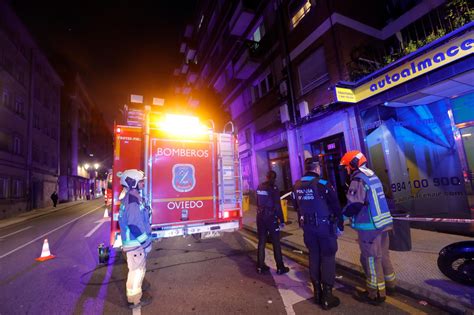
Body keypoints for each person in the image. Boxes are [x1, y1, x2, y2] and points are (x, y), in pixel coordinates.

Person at [340, 150, 396, 306]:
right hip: (384, 223)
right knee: (383, 255)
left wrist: (341, 218)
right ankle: (390, 285)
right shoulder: (372, 176)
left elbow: (355, 204)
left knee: (371, 259)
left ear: (353, 164)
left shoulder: (358, 179)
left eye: (346, 166)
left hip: (369, 226)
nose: (346, 170)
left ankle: (375, 293)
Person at [293, 158, 343, 310]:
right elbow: (336, 207)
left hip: (308, 228)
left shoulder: (296, 185)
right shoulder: (323, 184)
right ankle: (327, 296)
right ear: (317, 168)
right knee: (327, 257)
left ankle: (317, 293)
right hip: (324, 227)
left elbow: (296, 206)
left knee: (313, 256)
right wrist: (339, 226)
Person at [117, 169, 153, 309]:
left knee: (137, 270)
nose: (143, 183)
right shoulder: (132, 201)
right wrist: (146, 243)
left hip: (134, 244)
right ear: (132, 183)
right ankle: (134, 300)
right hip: (135, 244)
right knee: (136, 272)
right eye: (141, 181)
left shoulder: (133, 197)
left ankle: (137, 293)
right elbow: (134, 225)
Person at [256, 170, 290, 275]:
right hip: (270, 217)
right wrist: (282, 220)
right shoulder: (274, 188)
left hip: (260, 216)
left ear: (266, 177)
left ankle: (260, 266)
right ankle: (280, 267)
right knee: (276, 242)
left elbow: (258, 201)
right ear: (275, 178)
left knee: (261, 241)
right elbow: (277, 206)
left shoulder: (260, 186)